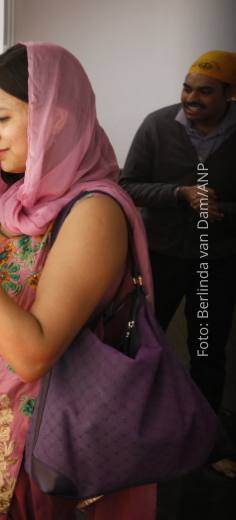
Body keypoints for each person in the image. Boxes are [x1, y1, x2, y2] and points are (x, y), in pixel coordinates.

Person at [0, 43, 156, 519]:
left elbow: (32, 354)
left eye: (2, 118)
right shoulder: (18, 196)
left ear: (54, 118)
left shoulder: (94, 212)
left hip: (33, 446)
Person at [120, 50, 236, 415]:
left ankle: (205, 441)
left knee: (207, 349)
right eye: (187, 89)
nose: (190, 98)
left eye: (204, 92)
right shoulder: (158, 125)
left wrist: (222, 212)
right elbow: (127, 186)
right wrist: (178, 195)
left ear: (229, 94)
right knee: (144, 341)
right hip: (160, 255)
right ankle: (136, 425)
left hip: (215, 262)